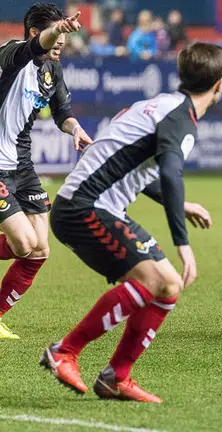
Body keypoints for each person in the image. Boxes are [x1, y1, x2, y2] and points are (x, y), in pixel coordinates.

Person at [40, 42, 222, 403]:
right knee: (155, 278)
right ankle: (64, 351)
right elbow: (171, 172)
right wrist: (183, 243)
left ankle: (116, 377)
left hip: (91, 205)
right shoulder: (180, 119)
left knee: (168, 285)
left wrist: (180, 203)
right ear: (220, 84)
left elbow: (137, 168)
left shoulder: (160, 106)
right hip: (85, 207)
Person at [0, 4, 93, 339]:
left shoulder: (53, 70)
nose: (60, 41)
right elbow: (35, 46)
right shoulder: (11, 56)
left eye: (64, 35)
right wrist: (58, 29)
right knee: (24, 243)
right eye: (56, 34)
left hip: (22, 165)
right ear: (34, 33)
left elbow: (62, 111)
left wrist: (75, 129)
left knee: (39, 250)